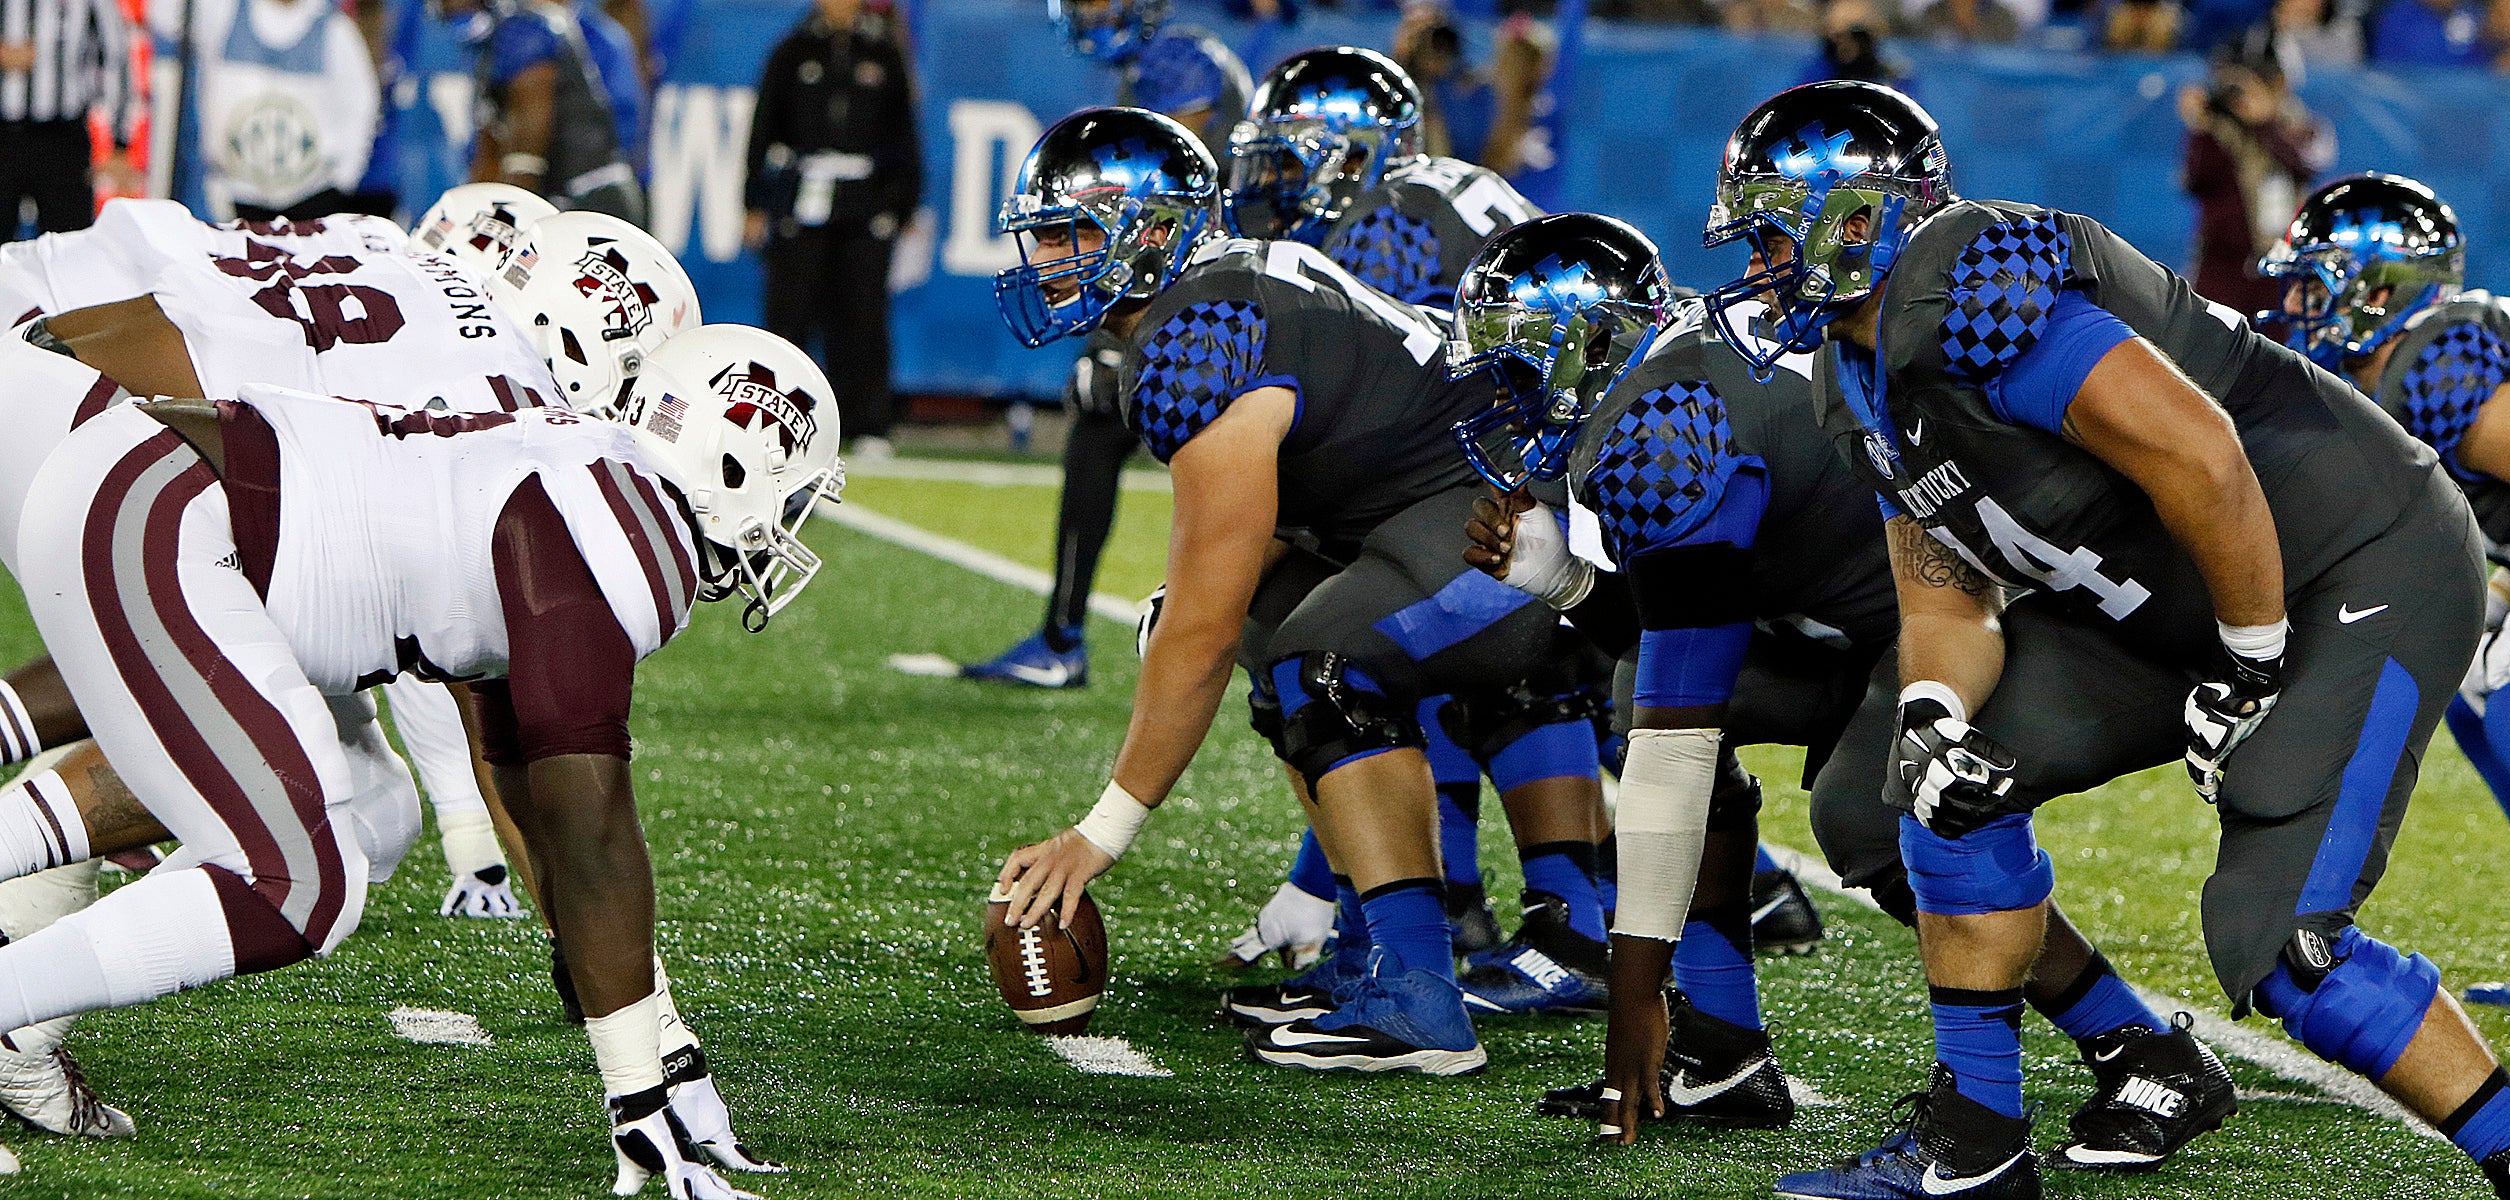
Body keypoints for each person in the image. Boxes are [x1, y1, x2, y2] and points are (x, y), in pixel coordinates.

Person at [1695, 79, 2510, 1199]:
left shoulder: (1976, 286)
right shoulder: (1854, 377)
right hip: (2169, 605)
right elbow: (1942, 600)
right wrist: (1935, 713)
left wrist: (2248, 658)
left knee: (2282, 948)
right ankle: (1975, 1147)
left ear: (1862, 218)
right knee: (1909, 793)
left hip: (2355, 567)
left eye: (1776, 231)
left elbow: (2202, 453)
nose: (1757, 264)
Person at [1454, 214, 2233, 1164]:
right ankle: (1723, 1048)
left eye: (1521, 363)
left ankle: (2128, 1045)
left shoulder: (1661, 431)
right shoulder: (1672, 387)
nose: (1508, 392)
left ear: (1594, 342)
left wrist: (1629, 1007)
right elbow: (1677, 652)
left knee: (1863, 818)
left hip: (1971, 620)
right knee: (1640, 693)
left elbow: (1678, 731)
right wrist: (1572, 583)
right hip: (1871, 627)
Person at [0, 317, 832, 1195]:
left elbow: (529, 787)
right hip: (171, 511)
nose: (788, 526)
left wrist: (664, 1046)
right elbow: (592, 832)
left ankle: (18, 1035)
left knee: (355, 797)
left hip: (151, 490)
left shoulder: (583, 472)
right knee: (300, 885)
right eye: (792, 495)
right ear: (730, 461)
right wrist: (634, 1097)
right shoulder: (624, 533)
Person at [989, 107, 1588, 1072]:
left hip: (1511, 519)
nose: (1050, 257)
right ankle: (1373, 948)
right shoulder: (1219, 292)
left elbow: (1202, 630)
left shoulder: (1196, 337)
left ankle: (1419, 999)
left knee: (1321, 660)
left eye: (1075, 234)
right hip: (1457, 498)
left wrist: (1100, 833)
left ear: (1152, 231)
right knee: (1282, 633)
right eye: (1046, 233)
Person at [952, 0, 1248, 688]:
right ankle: (1072, 635)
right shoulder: (1164, 60)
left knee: (1128, 427)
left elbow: (1167, 203)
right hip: (1215, 274)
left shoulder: (1174, 61)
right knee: (1102, 425)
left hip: (1215, 282)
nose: (1089, 12)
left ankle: (1085, 636)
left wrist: (1119, 345)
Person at [2260, 177, 2510, 904]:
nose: (2301, 305)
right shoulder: (2406, 365)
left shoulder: (2441, 366)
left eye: (2317, 286)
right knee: (2468, 674)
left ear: (2381, 289)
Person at [743, 0, 919, 461]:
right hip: (800, 198)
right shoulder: (792, 50)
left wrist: (902, 204)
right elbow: (763, 128)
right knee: (789, 315)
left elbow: (904, 133)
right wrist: (754, 202)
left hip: (862, 202)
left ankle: (866, 423)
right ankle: (773, 422)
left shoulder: (883, 52)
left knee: (862, 316)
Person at [173, 0, 379, 221]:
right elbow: (167, 21)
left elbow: (361, 105)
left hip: (312, 199)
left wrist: (343, 180)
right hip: (234, 197)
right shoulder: (222, 15)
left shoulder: (335, 29)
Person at [458, 0, 645, 222]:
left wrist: (495, 221)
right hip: (565, 195)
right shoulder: (504, 33)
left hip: (586, 200)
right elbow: (490, 152)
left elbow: (525, 161)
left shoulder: (530, 32)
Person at [2178, 49, 2329, 320]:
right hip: (2223, 267)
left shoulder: (2296, 124)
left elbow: (2305, 166)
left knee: (2276, 348)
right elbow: (2196, 179)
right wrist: (2202, 124)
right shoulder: (2215, 133)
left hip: (2278, 264)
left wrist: (2264, 124)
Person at [0, 0, 140, 240]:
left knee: (69, 247)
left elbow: (116, 57)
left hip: (62, 138)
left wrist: (120, 143)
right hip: (4, 134)